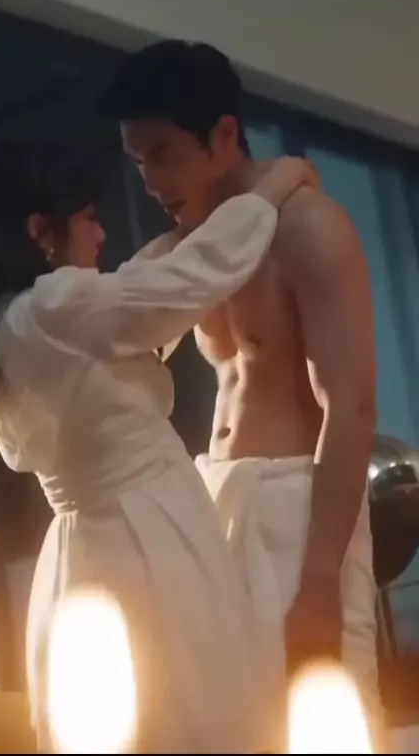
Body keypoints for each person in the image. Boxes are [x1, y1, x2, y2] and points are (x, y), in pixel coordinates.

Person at [0, 141, 306, 754]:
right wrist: (269, 191)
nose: (101, 232)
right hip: (144, 535)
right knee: (186, 703)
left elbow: (134, 299)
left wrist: (181, 237)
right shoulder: (54, 306)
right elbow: (174, 289)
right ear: (41, 232)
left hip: (93, 543)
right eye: (88, 217)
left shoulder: (17, 320)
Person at [100, 40, 383, 751]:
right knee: (227, 729)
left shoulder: (308, 227)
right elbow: (111, 313)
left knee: (320, 715)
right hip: (214, 499)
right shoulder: (196, 248)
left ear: (224, 133)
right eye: (138, 163)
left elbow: (351, 408)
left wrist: (319, 578)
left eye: (163, 155)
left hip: (296, 505)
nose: (151, 181)